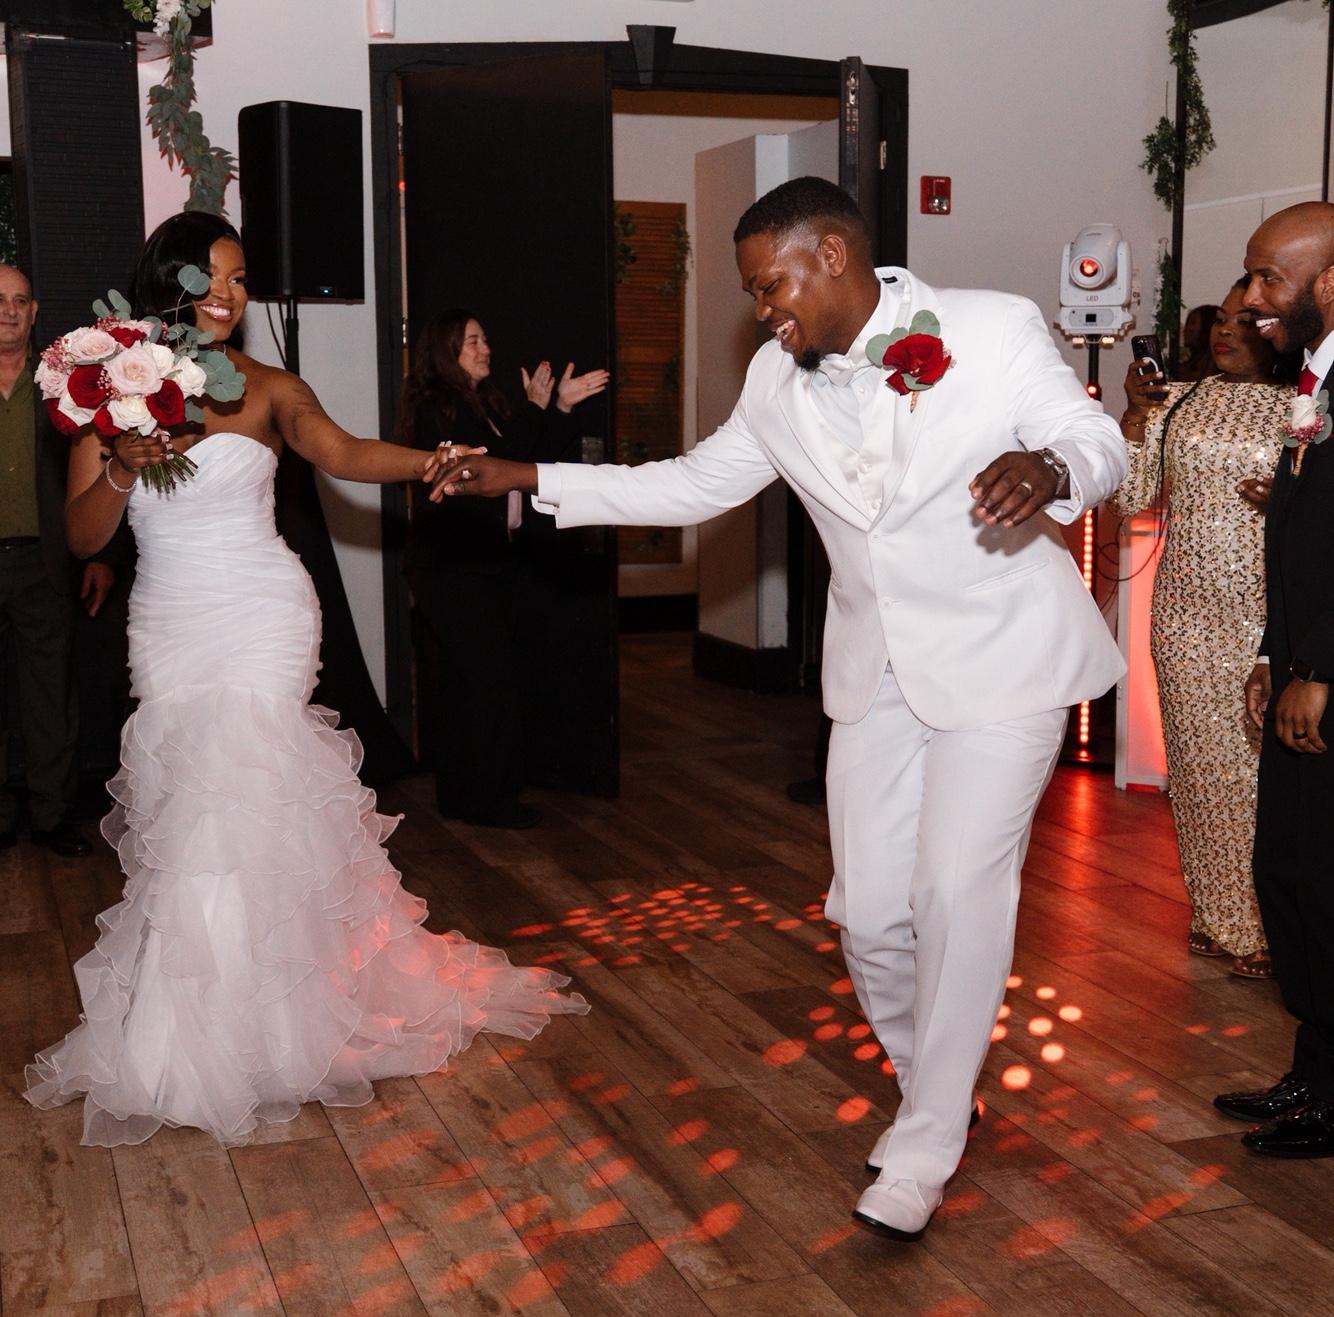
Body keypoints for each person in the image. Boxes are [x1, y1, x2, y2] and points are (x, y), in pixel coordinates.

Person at [434, 177, 1126, 1238]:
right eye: (755, 293)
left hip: (1003, 661)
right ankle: (933, 1087)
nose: (762, 310)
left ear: (832, 256)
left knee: (954, 892)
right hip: (876, 672)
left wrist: (1051, 465)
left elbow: (1099, 441)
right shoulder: (774, 381)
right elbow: (689, 484)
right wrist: (528, 475)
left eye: (770, 285)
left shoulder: (989, 327)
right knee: (868, 916)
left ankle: (926, 1143)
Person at [23, 212, 587, 1148]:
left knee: (244, 802)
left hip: (262, 613)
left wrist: (438, 461)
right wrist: (119, 466)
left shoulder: (271, 388)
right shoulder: (111, 390)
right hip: (171, 623)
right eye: (213, 278)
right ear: (168, 283)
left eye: (241, 280)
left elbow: (346, 452)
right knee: (193, 812)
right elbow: (84, 538)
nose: (229, 296)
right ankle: (200, 1026)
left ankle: (274, 1030)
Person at [1114, 279, 1295, 979]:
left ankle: (1269, 920)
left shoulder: (1306, 405)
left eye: (1245, 321)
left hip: (1270, 613)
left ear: (1276, 331)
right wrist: (1136, 416)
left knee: (1260, 774)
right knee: (1199, 771)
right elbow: (1130, 498)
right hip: (1185, 614)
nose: (1226, 331)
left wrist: (1288, 501)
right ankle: (1220, 918)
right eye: (1220, 320)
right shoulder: (1180, 400)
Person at [1215, 201, 1334, 1158]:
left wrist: (1321, 669)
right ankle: (1317, 1068)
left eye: (1268, 278)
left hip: (1329, 680)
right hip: (1298, 662)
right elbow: (1303, 542)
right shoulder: (1314, 381)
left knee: (1327, 884)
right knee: (1287, 874)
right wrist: (1271, 654)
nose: (1252, 297)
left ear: (1328, 282)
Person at [398, 311, 607, 828]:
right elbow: (486, 468)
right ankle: (483, 799)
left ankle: (473, 795)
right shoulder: (435, 409)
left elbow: (527, 465)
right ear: (446, 351)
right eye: (472, 341)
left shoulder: (486, 403)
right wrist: (538, 407)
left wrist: (557, 408)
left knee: (482, 682)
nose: (485, 348)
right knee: (484, 683)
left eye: (485, 338)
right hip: (453, 568)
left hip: (488, 565)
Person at [0, 263, 106, 858]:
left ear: (35, 312)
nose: (9, 310)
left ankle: (51, 816)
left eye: (20, 300)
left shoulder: (62, 385)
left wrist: (100, 554)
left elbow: (97, 470)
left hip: (47, 561)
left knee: (51, 699)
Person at [1178, 302, 1220, 381]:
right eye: (1187, 323)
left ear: (1207, 327)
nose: (1187, 329)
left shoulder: (1216, 368)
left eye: (1193, 323)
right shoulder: (1187, 364)